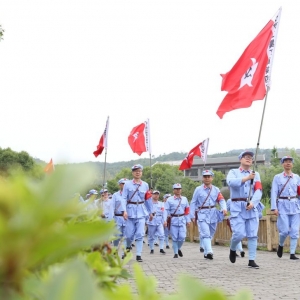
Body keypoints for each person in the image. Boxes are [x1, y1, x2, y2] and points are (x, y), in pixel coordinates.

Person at [226, 150, 263, 269]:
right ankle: (233, 248)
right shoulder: (234, 172)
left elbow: (258, 189)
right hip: (237, 206)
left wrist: (253, 202)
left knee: (252, 234)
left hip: (251, 207)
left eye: (250, 157)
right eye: (245, 157)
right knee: (239, 234)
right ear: (240, 159)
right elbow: (232, 183)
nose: (248, 159)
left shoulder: (255, 174)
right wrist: (247, 178)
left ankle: (252, 260)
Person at [190, 170, 227, 260]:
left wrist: (224, 208)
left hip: (213, 213)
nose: (207, 178)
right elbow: (193, 202)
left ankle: (206, 252)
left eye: (208, 176)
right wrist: (192, 215)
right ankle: (210, 251)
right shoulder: (198, 189)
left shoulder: (216, 189)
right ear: (202, 178)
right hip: (202, 213)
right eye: (205, 176)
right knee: (206, 233)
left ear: (212, 178)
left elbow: (221, 200)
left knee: (210, 233)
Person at [122, 164, 153, 262]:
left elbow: (148, 199)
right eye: (135, 171)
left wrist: (151, 212)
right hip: (130, 211)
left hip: (141, 210)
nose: (137, 172)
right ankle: (127, 247)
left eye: (139, 171)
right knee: (129, 235)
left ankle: (138, 254)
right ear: (132, 172)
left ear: (142, 172)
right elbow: (123, 198)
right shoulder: (127, 184)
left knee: (140, 233)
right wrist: (124, 210)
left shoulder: (145, 184)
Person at [271, 156, 300, 260]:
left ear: (292, 164)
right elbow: (274, 192)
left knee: (295, 230)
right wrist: (274, 208)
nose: (288, 163)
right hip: (282, 205)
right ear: (282, 164)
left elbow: (299, 192)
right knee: (284, 231)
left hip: (295, 206)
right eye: (286, 161)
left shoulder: (296, 177)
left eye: (290, 162)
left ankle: (292, 253)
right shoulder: (277, 177)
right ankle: (281, 244)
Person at [165, 183, 191, 258]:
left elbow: (187, 211)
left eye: (179, 189)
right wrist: (165, 219)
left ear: (181, 190)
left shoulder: (184, 199)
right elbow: (166, 210)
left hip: (182, 219)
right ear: (173, 190)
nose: (178, 190)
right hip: (173, 220)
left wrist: (188, 220)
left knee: (182, 237)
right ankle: (175, 253)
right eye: (176, 189)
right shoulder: (169, 200)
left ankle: (178, 248)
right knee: (175, 237)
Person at [111, 178, 128, 259]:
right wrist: (111, 219)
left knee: (126, 236)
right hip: (117, 217)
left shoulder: (129, 195)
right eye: (122, 184)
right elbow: (112, 208)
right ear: (119, 185)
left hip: (127, 218)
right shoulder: (115, 195)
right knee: (117, 236)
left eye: (125, 184)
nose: (124, 185)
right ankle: (115, 250)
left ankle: (124, 252)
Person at [147, 190, 167, 254]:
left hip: (159, 221)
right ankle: (152, 248)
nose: (156, 195)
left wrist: (164, 221)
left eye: (157, 194)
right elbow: (146, 212)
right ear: (152, 195)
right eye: (155, 194)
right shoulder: (148, 204)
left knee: (162, 234)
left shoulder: (161, 204)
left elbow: (164, 213)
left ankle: (161, 248)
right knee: (151, 236)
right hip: (151, 221)